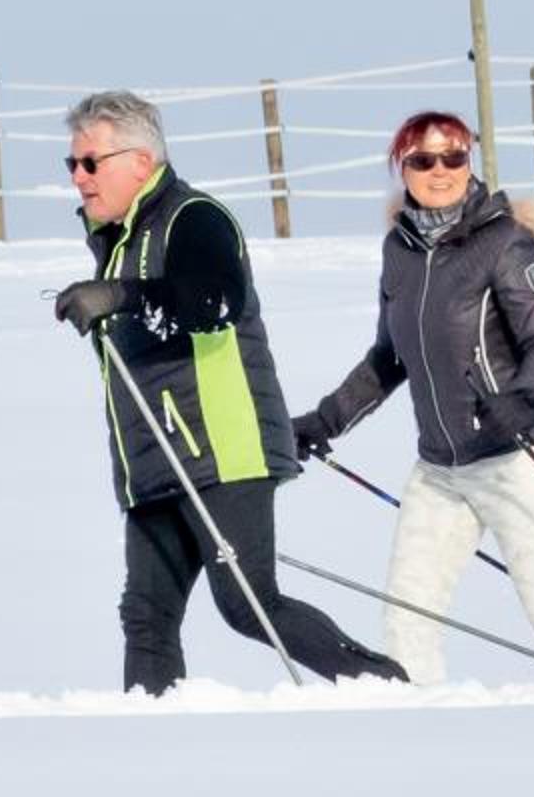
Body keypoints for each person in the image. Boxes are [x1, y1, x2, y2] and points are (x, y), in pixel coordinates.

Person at [50, 91, 406, 695]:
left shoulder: (193, 218)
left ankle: (385, 688)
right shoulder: (119, 240)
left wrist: (121, 297)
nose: (79, 178)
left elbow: (212, 302)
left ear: (141, 161)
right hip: (153, 461)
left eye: (90, 163)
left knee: (248, 604)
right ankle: (152, 736)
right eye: (72, 164)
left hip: (222, 449)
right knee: (146, 617)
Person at [287, 110, 534, 684]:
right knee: (407, 617)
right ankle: (421, 723)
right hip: (440, 469)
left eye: (453, 156)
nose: (440, 170)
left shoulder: (504, 242)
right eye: (423, 160)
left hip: (515, 458)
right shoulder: (399, 252)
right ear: (402, 169)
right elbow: (388, 358)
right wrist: (324, 421)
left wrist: (525, 398)